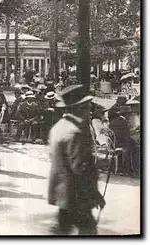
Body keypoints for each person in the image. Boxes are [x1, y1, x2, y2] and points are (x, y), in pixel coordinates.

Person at [48, 84, 105, 235]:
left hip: (63, 193)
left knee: (62, 231)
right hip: (77, 195)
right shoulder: (75, 132)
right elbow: (81, 168)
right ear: (78, 108)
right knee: (88, 231)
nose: (89, 110)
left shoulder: (58, 127)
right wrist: (95, 194)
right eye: (87, 106)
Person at [109, 105, 138, 174]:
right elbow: (126, 135)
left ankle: (130, 167)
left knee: (134, 144)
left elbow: (122, 133)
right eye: (129, 114)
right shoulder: (124, 122)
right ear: (126, 114)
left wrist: (132, 131)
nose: (130, 116)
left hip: (114, 143)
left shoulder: (114, 121)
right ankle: (133, 168)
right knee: (137, 147)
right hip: (121, 143)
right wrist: (135, 134)